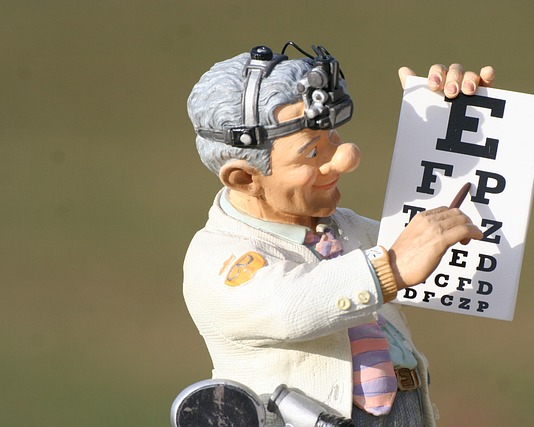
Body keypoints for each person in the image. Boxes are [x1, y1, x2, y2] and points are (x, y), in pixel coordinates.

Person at [183, 43, 494, 426]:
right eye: (312, 153)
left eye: (332, 137)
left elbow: (460, 264)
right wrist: (390, 269)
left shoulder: (346, 229)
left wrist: (458, 132)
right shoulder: (216, 257)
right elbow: (289, 306)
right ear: (244, 178)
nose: (346, 158)